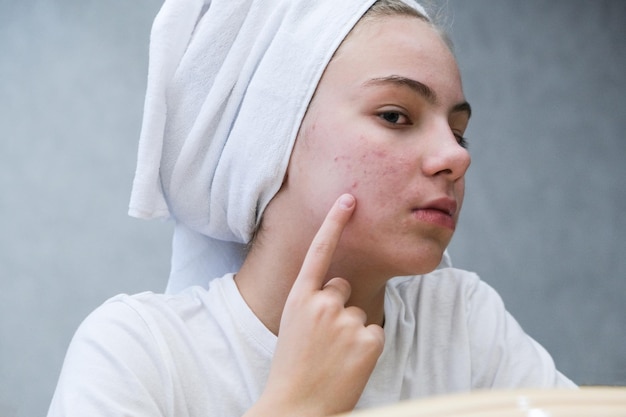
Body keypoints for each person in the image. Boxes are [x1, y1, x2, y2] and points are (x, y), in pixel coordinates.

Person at [47, 0, 576, 416]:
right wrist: (297, 406)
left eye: (458, 131)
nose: (455, 157)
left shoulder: (461, 324)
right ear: (267, 141)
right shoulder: (141, 354)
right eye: (396, 115)